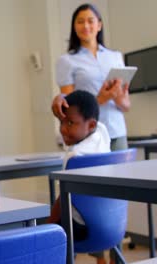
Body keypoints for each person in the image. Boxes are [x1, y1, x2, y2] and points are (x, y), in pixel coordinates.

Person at [51, 3, 130, 151]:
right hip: (88, 136)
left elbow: (126, 106)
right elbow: (69, 109)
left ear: (99, 25)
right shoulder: (66, 61)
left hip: (117, 132)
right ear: (74, 27)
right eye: (80, 22)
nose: (85, 26)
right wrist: (101, 99)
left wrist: (116, 97)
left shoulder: (116, 57)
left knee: (122, 174)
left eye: (90, 21)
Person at [48, 90, 111, 263]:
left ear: (91, 125)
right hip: (111, 225)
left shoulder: (75, 157)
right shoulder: (102, 135)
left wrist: (48, 224)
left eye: (70, 123)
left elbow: (63, 200)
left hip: (82, 229)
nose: (63, 129)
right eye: (61, 122)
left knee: (40, 225)